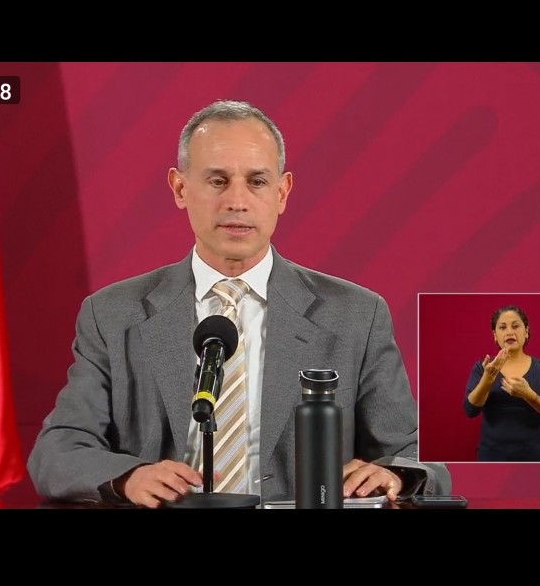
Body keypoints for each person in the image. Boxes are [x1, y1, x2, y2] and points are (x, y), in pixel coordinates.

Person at [28, 99, 452, 507]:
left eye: (257, 181)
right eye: (217, 181)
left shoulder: (356, 315)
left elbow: (418, 456)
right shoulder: (113, 314)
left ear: (282, 193)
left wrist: (395, 476)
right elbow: (57, 451)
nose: (237, 201)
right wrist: (128, 478)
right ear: (180, 188)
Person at [464, 305, 540, 461]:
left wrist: (529, 396)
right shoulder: (483, 367)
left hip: (535, 456)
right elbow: (470, 410)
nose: (509, 332)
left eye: (515, 326)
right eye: (503, 327)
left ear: (526, 331)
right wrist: (487, 380)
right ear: (495, 335)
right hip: (492, 456)